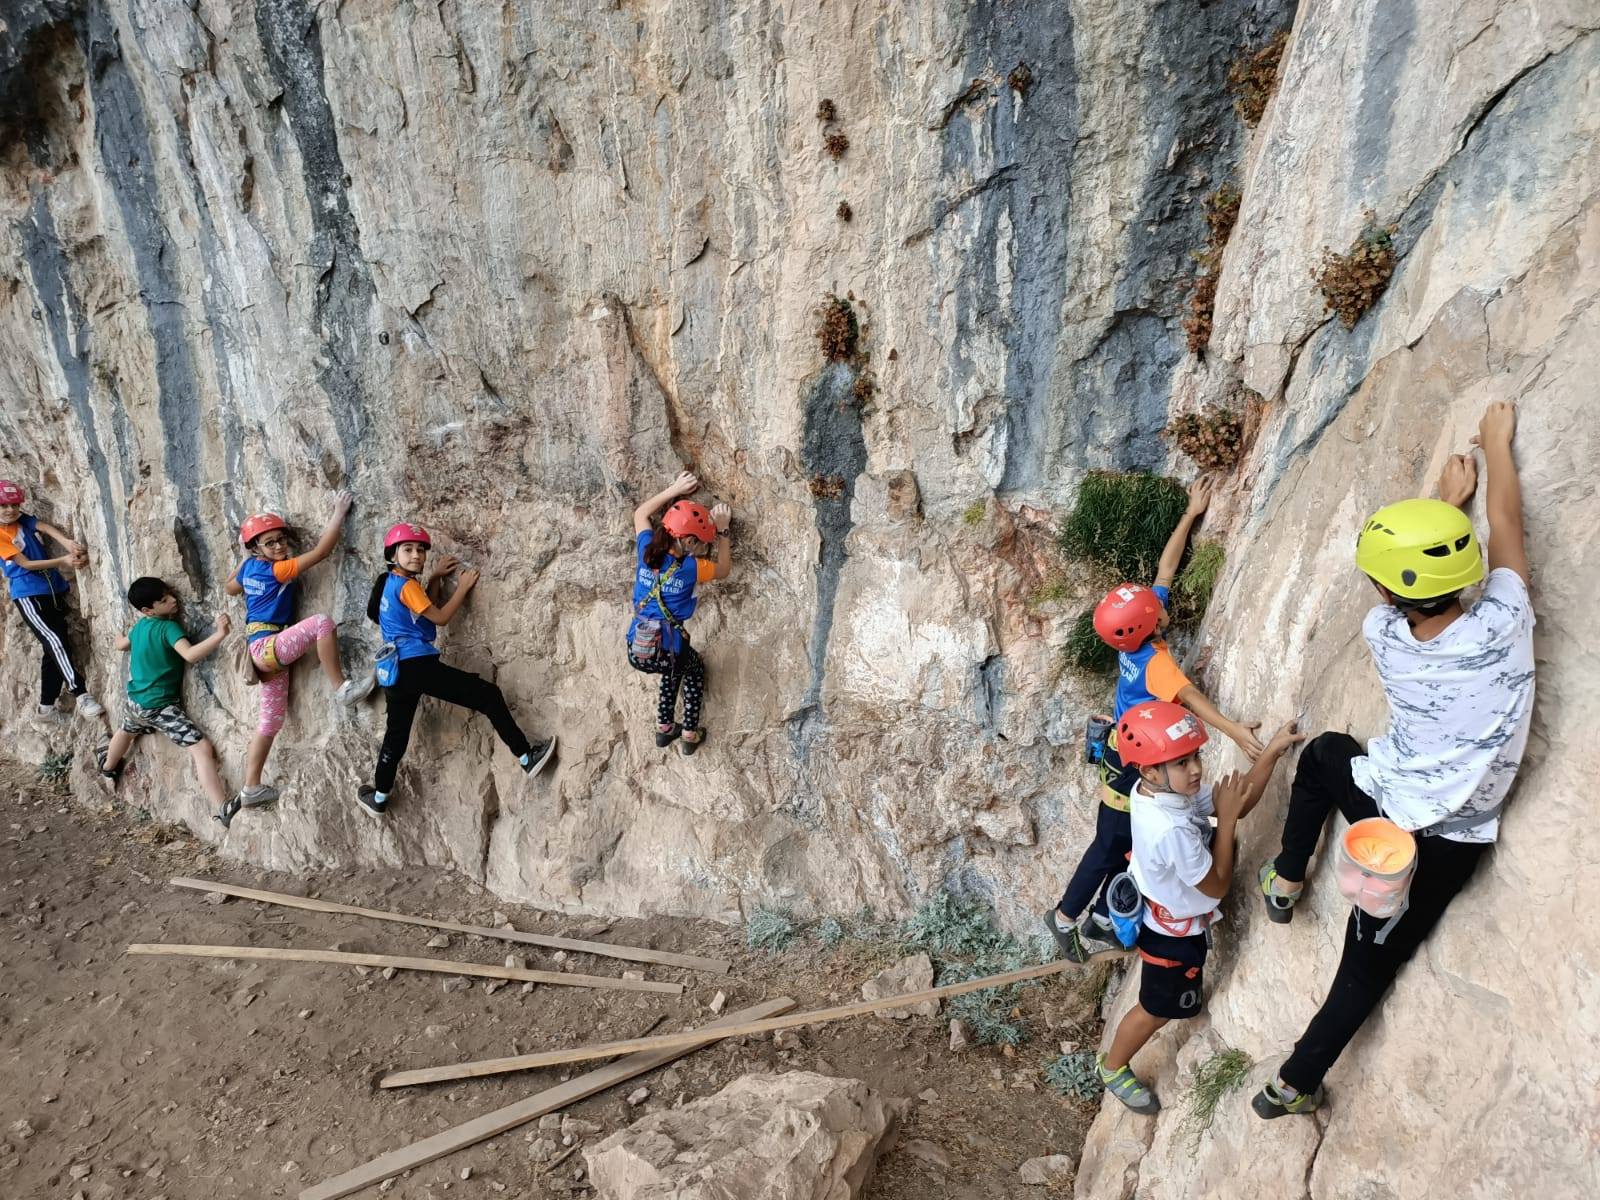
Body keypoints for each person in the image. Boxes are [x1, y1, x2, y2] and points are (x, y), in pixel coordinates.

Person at [1251, 400, 1534, 1119]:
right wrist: (1499, 446)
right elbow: (1507, 532)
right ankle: (1290, 1084)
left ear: (1385, 591)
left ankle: (1285, 881)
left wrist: (1443, 503)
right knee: (1369, 962)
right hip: (1450, 843)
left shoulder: (1386, 634)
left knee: (1322, 756)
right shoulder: (1505, 619)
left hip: (1387, 814)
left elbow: (1418, 582)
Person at [1048, 478, 1263, 962]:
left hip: (1125, 748)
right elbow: (1190, 696)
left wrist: (1191, 514)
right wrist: (1233, 730)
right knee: (1112, 841)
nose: (1164, 610)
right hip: (1133, 758)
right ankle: (1065, 919)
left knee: (1122, 837)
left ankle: (1103, 918)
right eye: (1157, 612)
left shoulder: (1136, 641)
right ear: (1149, 625)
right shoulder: (1156, 662)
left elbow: (1166, 568)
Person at [1096, 702, 1304, 1114]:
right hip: (1170, 935)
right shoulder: (1169, 828)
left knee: (1174, 997)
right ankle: (1113, 1067)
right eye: (1182, 762)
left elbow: (1238, 801)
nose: (1195, 770)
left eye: (1196, 757)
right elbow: (1217, 884)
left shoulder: (1160, 791)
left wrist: (1272, 753)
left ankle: (1182, 998)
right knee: (1155, 1010)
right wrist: (1225, 823)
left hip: (1175, 916)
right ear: (1150, 772)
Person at [358, 522, 555, 815]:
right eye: (408, 549)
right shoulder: (408, 586)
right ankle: (526, 757)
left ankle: (380, 797)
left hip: (396, 671)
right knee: (487, 695)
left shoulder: (389, 583)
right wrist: (461, 588)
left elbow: (421, 614)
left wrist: (436, 578)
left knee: (395, 737)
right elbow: (438, 618)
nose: (416, 555)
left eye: (421, 550)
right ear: (393, 553)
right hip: (418, 666)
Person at [223, 492, 373, 809]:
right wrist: (338, 513)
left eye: (281, 540)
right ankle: (342, 688)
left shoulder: (249, 568)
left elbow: (229, 586)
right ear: (256, 548)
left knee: (270, 723)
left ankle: (250, 788)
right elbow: (321, 552)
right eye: (270, 543)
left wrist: (245, 554)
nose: (279, 547)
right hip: (268, 646)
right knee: (321, 623)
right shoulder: (276, 570)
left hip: (262, 653)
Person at [99, 577, 237, 826]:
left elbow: (122, 645)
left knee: (127, 730)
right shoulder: (169, 628)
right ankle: (221, 807)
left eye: (170, 594)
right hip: (160, 706)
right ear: (148, 610)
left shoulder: (140, 626)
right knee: (202, 749)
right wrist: (220, 634)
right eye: (164, 600)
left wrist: (118, 635)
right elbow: (190, 654)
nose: (173, 600)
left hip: (135, 701)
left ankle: (108, 765)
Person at [627, 471, 731, 755]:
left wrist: (674, 489)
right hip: (666, 647)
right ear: (686, 541)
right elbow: (723, 569)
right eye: (698, 542)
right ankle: (688, 733)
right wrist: (722, 531)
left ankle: (663, 728)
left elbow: (641, 514)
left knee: (672, 667)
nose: (701, 547)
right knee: (693, 668)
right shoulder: (691, 568)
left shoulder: (646, 550)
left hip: (637, 649)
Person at [0, 479, 103, 720]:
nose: (10, 510)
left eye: (14, 505)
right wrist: (63, 561)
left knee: (54, 646)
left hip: (51, 589)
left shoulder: (18, 520)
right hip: (28, 594)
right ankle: (81, 694)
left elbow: (43, 526)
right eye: (4, 506)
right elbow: (25, 563)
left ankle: (46, 708)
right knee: (55, 641)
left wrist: (66, 542)